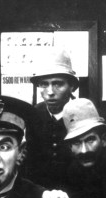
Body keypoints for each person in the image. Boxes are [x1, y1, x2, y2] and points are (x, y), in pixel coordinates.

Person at [26, 48, 79, 189]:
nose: (50, 92)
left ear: (71, 86)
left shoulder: (83, 113)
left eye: (58, 84)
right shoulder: (33, 114)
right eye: (44, 84)